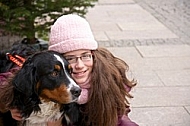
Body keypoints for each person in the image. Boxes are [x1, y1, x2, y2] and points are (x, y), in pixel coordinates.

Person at [10, 14, 138, 126]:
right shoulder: (41, 67)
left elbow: (119, 119)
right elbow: (9, 78)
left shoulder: (108, 79)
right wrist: (8, 105)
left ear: (93, 55)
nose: (80, 65)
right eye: (70, 58)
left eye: (85, 55)